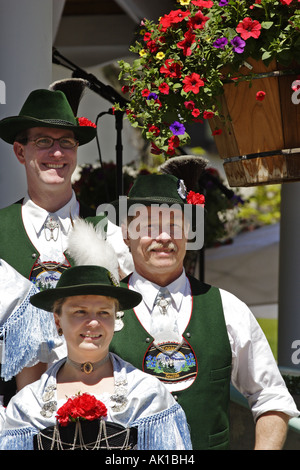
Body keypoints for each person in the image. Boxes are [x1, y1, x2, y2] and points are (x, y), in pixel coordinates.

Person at [106, 168, 299, 450]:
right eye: (148, 226)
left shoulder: (228, 308)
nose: (163, 237)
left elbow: (271, 397)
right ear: (126, 234)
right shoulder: (101, 309)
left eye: (174, 225)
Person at [0, 230, 192, 450]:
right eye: (79, 312)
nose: (93, 323)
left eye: (103, 313)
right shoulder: (27, 405)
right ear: (57, 320)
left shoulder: (146, 394)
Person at [0, 83, 104, 401]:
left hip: (95, 408)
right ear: (21, 151)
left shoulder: (107, 233)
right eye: (43, 141)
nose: (56, 153)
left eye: (66, 143)